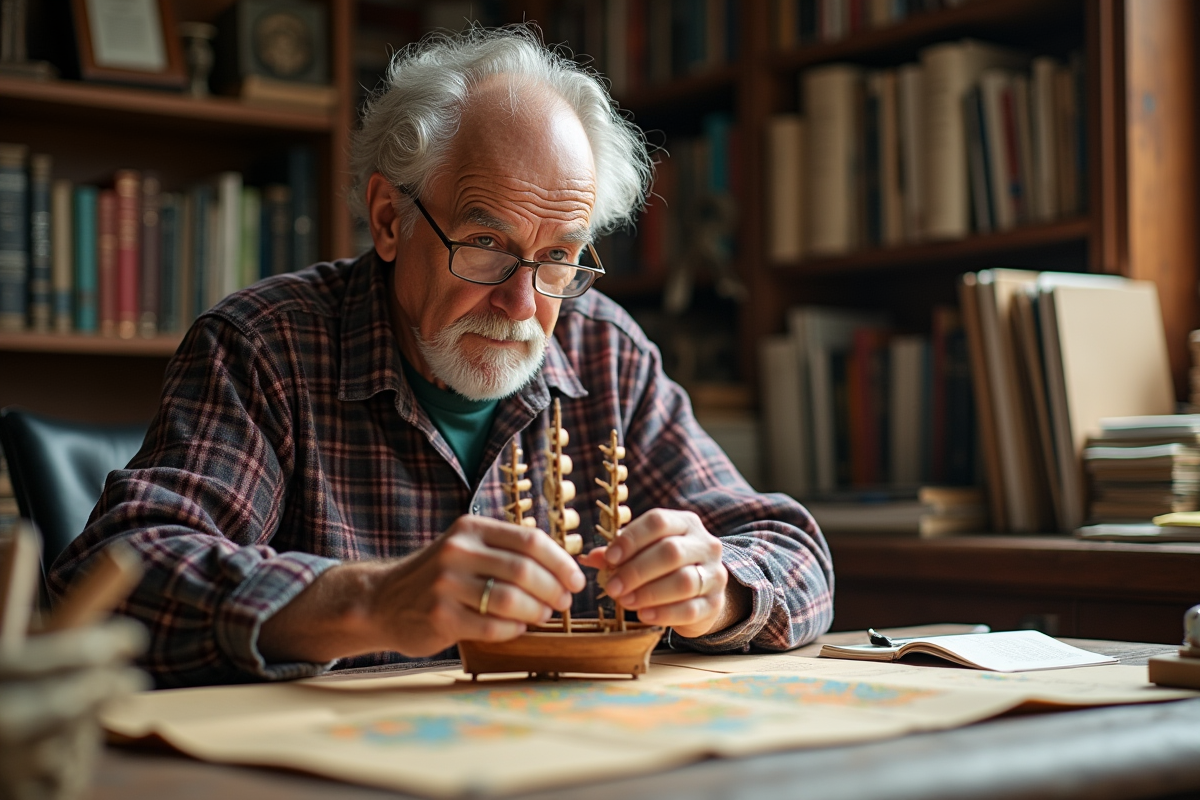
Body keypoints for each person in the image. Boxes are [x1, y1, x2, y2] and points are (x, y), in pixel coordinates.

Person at [49, 27, 833, 688]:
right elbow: (113, 577)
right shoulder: (267, 347)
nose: (525, 305)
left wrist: (717, 586)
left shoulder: (606, 351)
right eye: (486, 245)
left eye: (558, 257)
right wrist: (365, 602)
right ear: (390, 219)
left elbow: (797, 556)